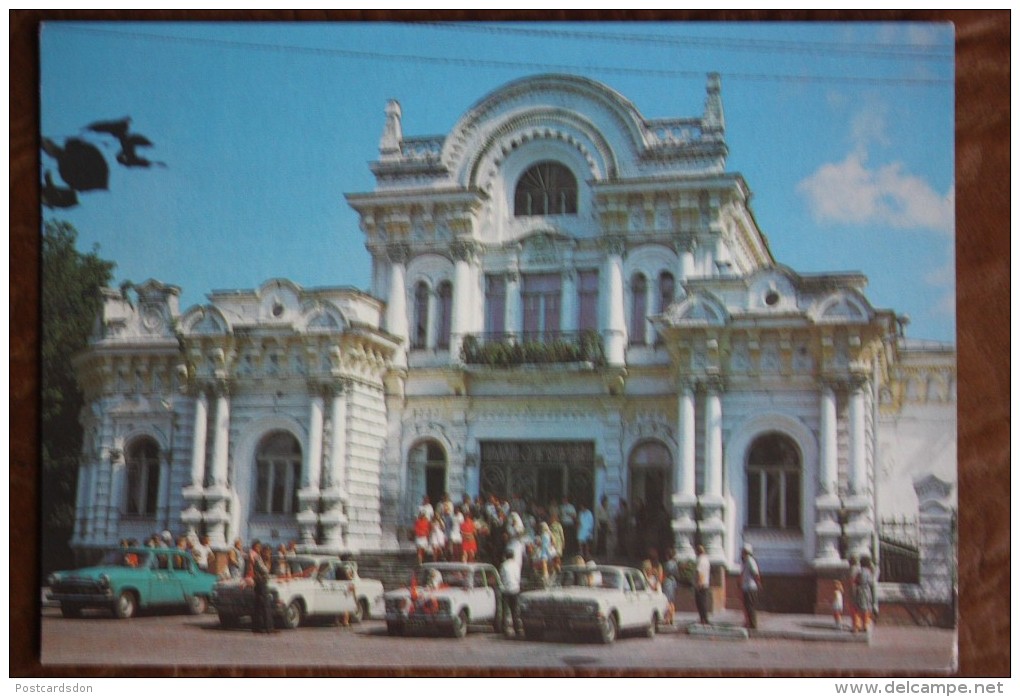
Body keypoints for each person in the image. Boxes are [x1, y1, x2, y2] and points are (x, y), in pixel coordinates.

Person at [248, 540, 275, 634]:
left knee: (258, 606)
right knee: (265, 605)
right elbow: (265, 570)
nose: (259, 549)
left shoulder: (253, 555)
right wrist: (268, 562)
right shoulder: (256, 557)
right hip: (261, 582)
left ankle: (257, 627)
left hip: (257, 582)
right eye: (258, 547)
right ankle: (269, 627)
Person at [499, 548, 522, 637]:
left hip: (506, 590)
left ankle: (505, 629)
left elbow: (501, 577)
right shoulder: (516, 565)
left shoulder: (503, 565)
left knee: (505, 611)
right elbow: (518, 578)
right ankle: (517, 629)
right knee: (515, 611)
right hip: (515, 589)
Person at [852, 556, 877, 633]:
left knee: (858, 608)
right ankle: (865, 624)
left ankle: (857, 625)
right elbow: (871, 583)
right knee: (866, 608)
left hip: (860, 591)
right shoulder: (869, 572)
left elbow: (855, 581)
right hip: (867, 591)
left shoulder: (859, 572)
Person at [740, 544, 762, 630]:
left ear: (746, 552)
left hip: (750, 587)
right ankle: (748, 622)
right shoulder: (745, 561)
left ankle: (753, 624)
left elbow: (756, 573)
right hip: (746, 587)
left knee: (750, 606)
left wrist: (758, 583)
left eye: (743, 551)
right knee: (747, 605)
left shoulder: (750, 561)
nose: (741, 553)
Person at [694, 544, 711, 625]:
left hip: (701, 584)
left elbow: (700, 573)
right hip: (706, 583)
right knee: (704, 602)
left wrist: (698, 584)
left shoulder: (700, 560)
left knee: (700, 603)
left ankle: (703, 619)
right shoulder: (706, 560)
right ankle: (704, 618)